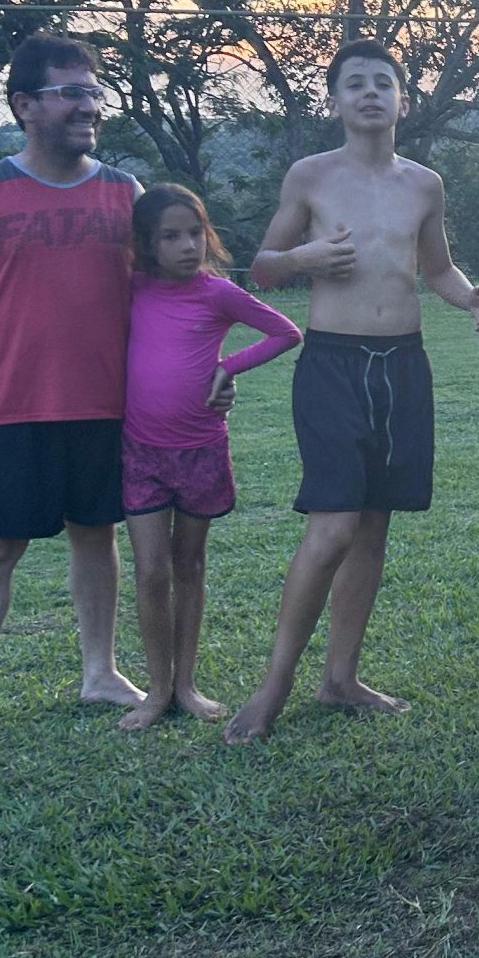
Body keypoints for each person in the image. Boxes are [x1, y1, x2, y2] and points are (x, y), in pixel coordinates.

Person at [223, 41, 479, 743]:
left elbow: (437, 270)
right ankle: (274, 684)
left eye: (383, 82)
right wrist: (304, 256)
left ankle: (340, 679)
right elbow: (262, 268)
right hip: (333, 366)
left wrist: (471, 297)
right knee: (334, 527)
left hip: (403, 366)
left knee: (374, 526)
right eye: (355, 84)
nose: (370, 93)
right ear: (336, 102)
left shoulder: (425, 185)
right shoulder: (310, 176)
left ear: (403, 99)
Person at [0, 32, 146, 756]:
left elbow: (159, 301)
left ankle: (100, 673)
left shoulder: (126, 192)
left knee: (97, 535)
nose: (89, 106)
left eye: (95, 93)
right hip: (12, 404)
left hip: (107, 404)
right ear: (24, 105)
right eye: (71, 93)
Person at [119, 185, 301, 732]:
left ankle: (186, 686)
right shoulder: (131, 289)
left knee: (189, 566)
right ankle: (157, 690)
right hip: (140, 452)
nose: (186, 246)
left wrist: (228, 368)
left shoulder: (218, 292)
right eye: (170, 236)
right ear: (147, 243)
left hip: (201, 450)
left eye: (195, 233)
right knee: (151, 571)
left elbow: (285, 332)